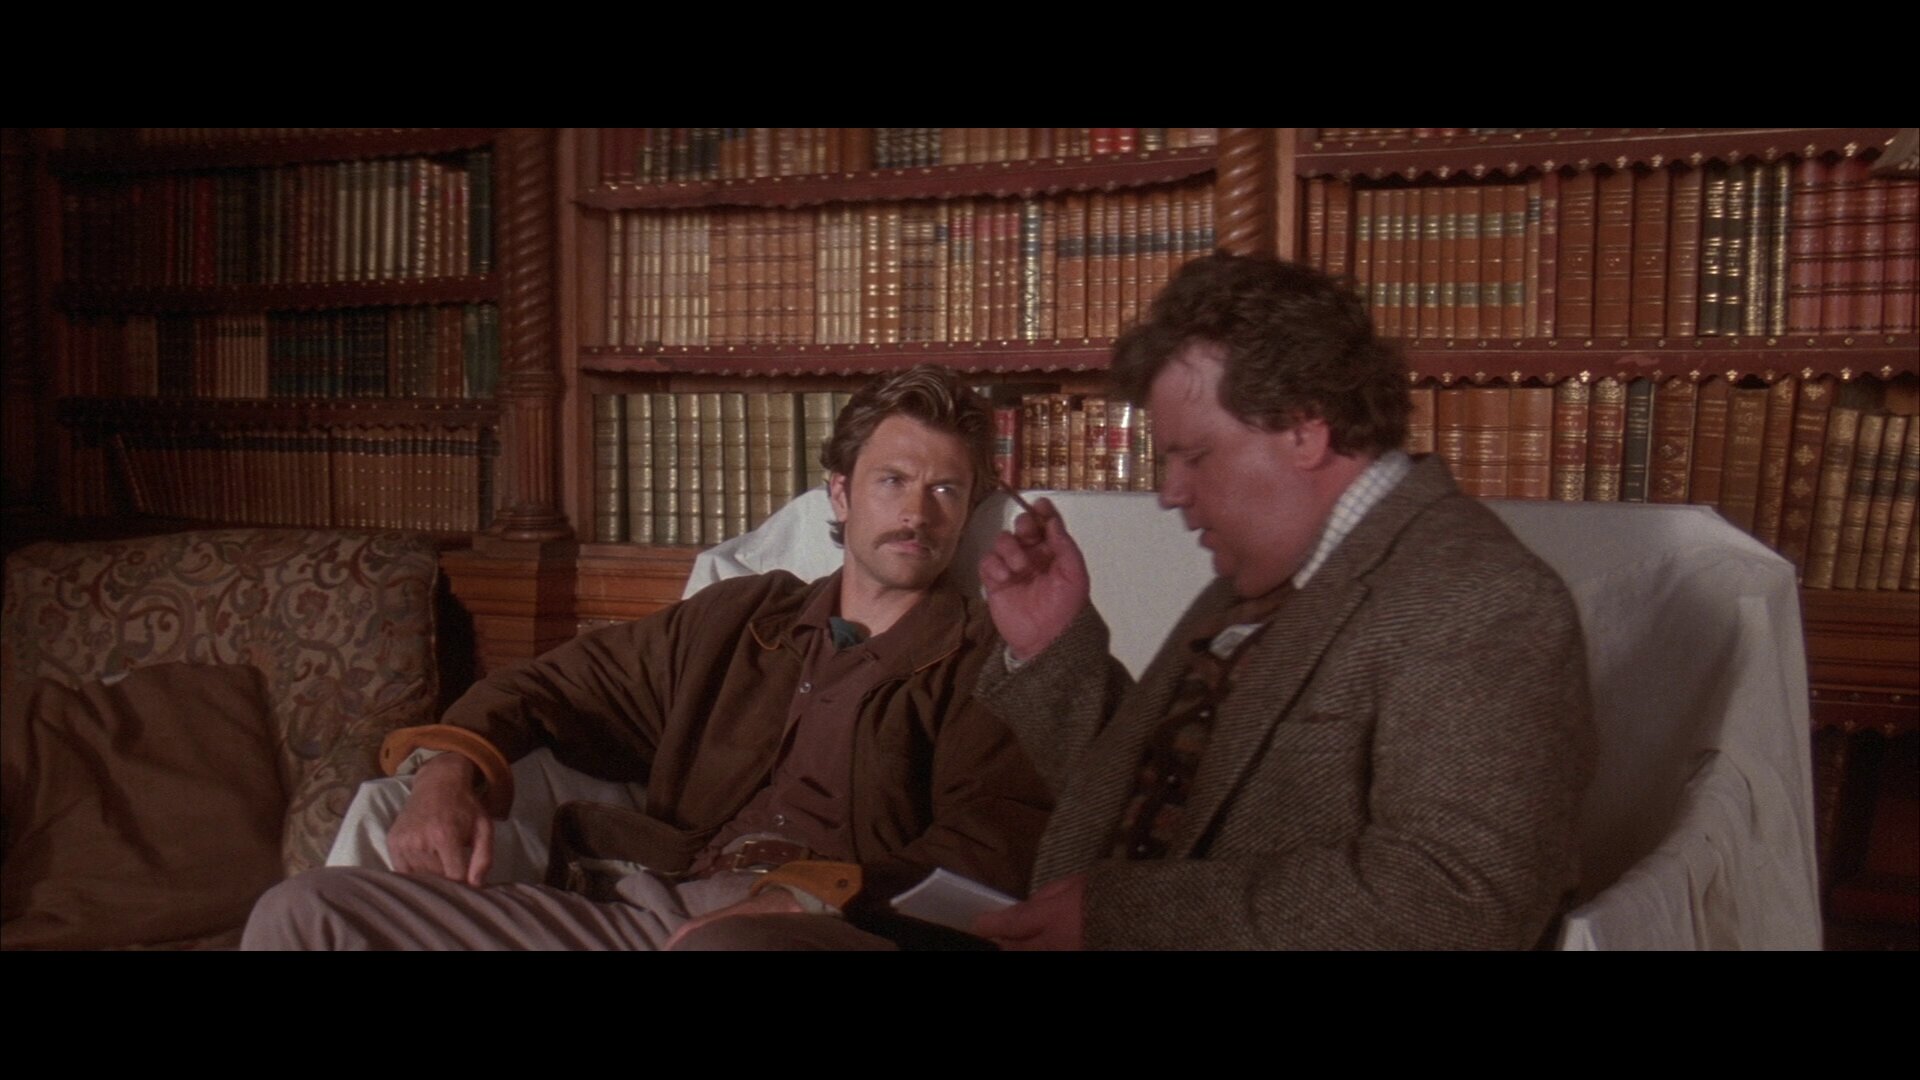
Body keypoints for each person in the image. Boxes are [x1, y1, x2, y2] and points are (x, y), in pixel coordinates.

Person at [243, 365, 1050, 950]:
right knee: (306, 910)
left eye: (946, 490)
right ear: (839, 493)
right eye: (893, 481)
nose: (917, 514)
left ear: (969, 509)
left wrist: (812, 900)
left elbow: (996, 835)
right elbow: (553, 686)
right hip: (647, 908)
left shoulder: (983, 656)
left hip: (818, 931)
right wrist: (446, 772)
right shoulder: (742, 619)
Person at [970, 254, 1593, 950]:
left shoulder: (1484, 599)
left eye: (1195, 456)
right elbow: (1172, 804)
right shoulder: (1268, 573)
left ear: (1304, 429)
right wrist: (1053, 647)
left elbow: (1456, 898)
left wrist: (1123, 920)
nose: (1170, 493)